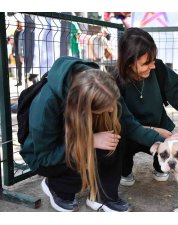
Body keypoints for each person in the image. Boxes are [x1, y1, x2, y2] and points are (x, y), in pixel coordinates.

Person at [20, 56, 129, 212]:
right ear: (82, 105)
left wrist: (155, 137)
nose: (112, 109)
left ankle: (102, 194)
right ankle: (56, 187)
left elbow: (127, 120)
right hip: (45, 156)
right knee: (79, 172)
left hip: (75, 136)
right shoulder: (46, 107)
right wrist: (89, 141)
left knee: (117, 127)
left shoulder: (98, 81)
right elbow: (46, 157)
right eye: (106, 105)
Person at [115, 28, 178, 186]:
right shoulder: (115, 82)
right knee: (120, 145)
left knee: (164, 166)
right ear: (129, 62)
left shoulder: (158, 69)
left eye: (153, 60)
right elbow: (125, 123)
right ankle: (125, 169)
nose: (152, 66)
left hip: (159, 127)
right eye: (146, 63)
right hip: (130, 132)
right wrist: (155, 132)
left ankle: (159, 164)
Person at [13, 20, 24, 86]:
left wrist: (21, 54)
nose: (19, 24)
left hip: (22, 53)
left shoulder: (23, 32)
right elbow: (15, 43)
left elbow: (21, 44)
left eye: (19, 22)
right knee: (18, 68)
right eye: (18, 22)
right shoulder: (16, 32)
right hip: (17, 53)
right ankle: (19, 81)